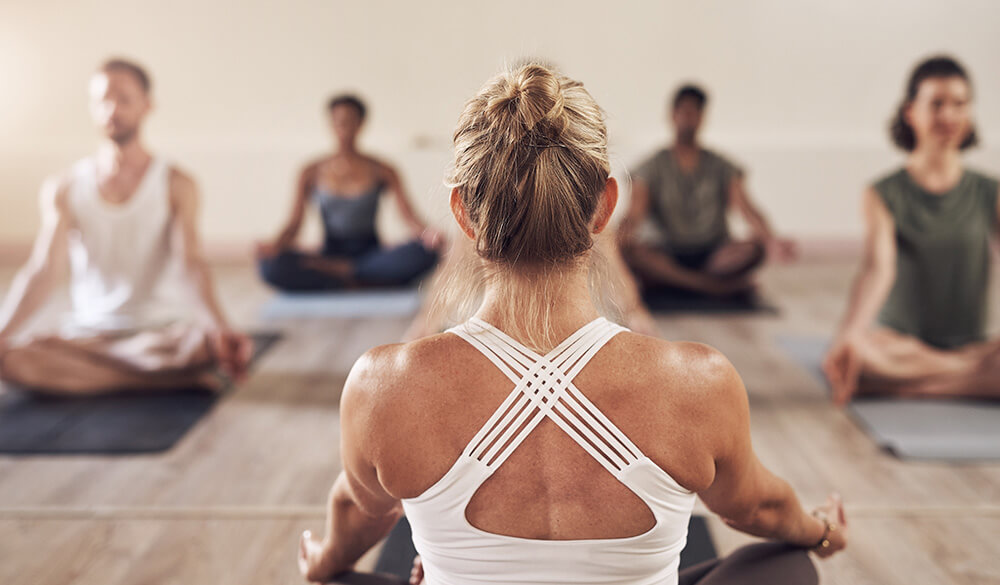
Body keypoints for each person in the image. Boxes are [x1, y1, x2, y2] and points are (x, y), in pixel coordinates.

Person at [298, 64, 846, 585]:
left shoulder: (381, 383)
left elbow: (359, 512)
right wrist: (820, 531)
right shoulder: (700, 380)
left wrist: (323, 563)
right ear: (605, 206)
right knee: (786, 565)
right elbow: (762, 507)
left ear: (463, 213)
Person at [0, 58, 252, 395]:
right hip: (89, 337)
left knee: (202, 347)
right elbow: (44, 269)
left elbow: (190, 264)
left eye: (123, 98)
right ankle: (154, 382)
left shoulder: (177, 183)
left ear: (147, 106)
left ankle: (100, 378)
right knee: (10, 359)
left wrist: (220, 327)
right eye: (102, 100)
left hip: (159, 335)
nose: (111, 109)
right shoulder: (65, 187)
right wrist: (2, 334)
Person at [824, 55, 1000, 405]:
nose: (949, 116)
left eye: (959, 104)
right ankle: (961, 381)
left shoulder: (990, 191)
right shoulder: (882, 193)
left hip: (971, 347)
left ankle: (919, 388)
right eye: (936, 104)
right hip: (901, 349)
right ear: (910, 112)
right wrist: (849, 336)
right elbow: (877, 269)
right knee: (863, 354)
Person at [620, 84, 796, 298]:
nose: (688, 119)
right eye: (683, 112)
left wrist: (771, 240)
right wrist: (621, 237)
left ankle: (677, 282)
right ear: (672, 115)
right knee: (633, 253)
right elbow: (635, 213)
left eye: (694, 113)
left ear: (702, 117)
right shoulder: (650, 167)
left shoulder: (721, 165)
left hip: (713, 254)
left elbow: (746, 208)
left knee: (754, 250)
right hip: (666, 252)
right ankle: (713, 287)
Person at [257, 95, 443, 291]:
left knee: (426, 252)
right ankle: (360, 277)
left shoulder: (382, 169)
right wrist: (274, 246)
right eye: (338, 122)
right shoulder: (311, 171)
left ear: (361, 123)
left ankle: (341, 273)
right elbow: (293, 225)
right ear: (330, 124)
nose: (343, 128)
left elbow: (408, 216)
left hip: (370, 254)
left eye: (349, 121)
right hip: (329, 254)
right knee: (270, 266)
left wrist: (428, 235)